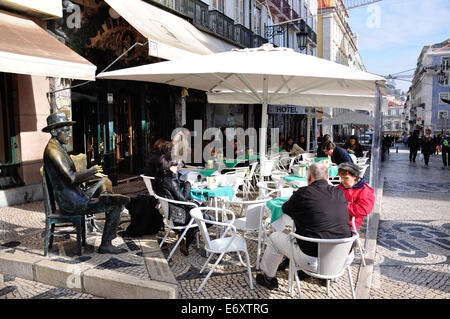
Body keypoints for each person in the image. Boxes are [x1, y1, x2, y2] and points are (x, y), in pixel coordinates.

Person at [42, 112, 130, 254]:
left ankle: (106, 197)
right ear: (54, 131)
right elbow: (71, 177)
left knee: (104, 181)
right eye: (65, 130)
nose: (69, 134)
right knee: (117, 205)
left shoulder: (58, 146)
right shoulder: (53, 151)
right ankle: (106, 244)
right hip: (72, 202)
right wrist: (91, 171)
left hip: (75, 194)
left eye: (68, 130)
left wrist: (92, 174)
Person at [255, 163, 352, 290]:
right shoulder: (339, 193)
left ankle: (267, 277)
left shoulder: (303, 193)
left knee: (274, 238)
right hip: (343, 257)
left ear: (309, 178)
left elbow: (285, 208)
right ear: (328, 177)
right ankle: (328, 276)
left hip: (311, 259)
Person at [154, 154, 214, 256]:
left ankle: (184, 234)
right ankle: (186, 238)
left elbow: (172, 193)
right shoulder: (171, 181)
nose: (177, 167)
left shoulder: (158, 179)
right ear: (167, 167)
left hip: (170, 215)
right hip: (179, 217)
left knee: (201, 207)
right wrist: (187, 186)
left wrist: (180, 184)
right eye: (174, 165)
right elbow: (183, 200)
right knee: (209, 219)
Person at [335, 163, 375, 231]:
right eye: (341, 177)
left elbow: (363, 210)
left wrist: (341, 205)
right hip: (334, 219)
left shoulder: (365, 191)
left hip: (348, 225)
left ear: (355, 177)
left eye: (345, 178)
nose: (341, 180)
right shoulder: (341, 186)